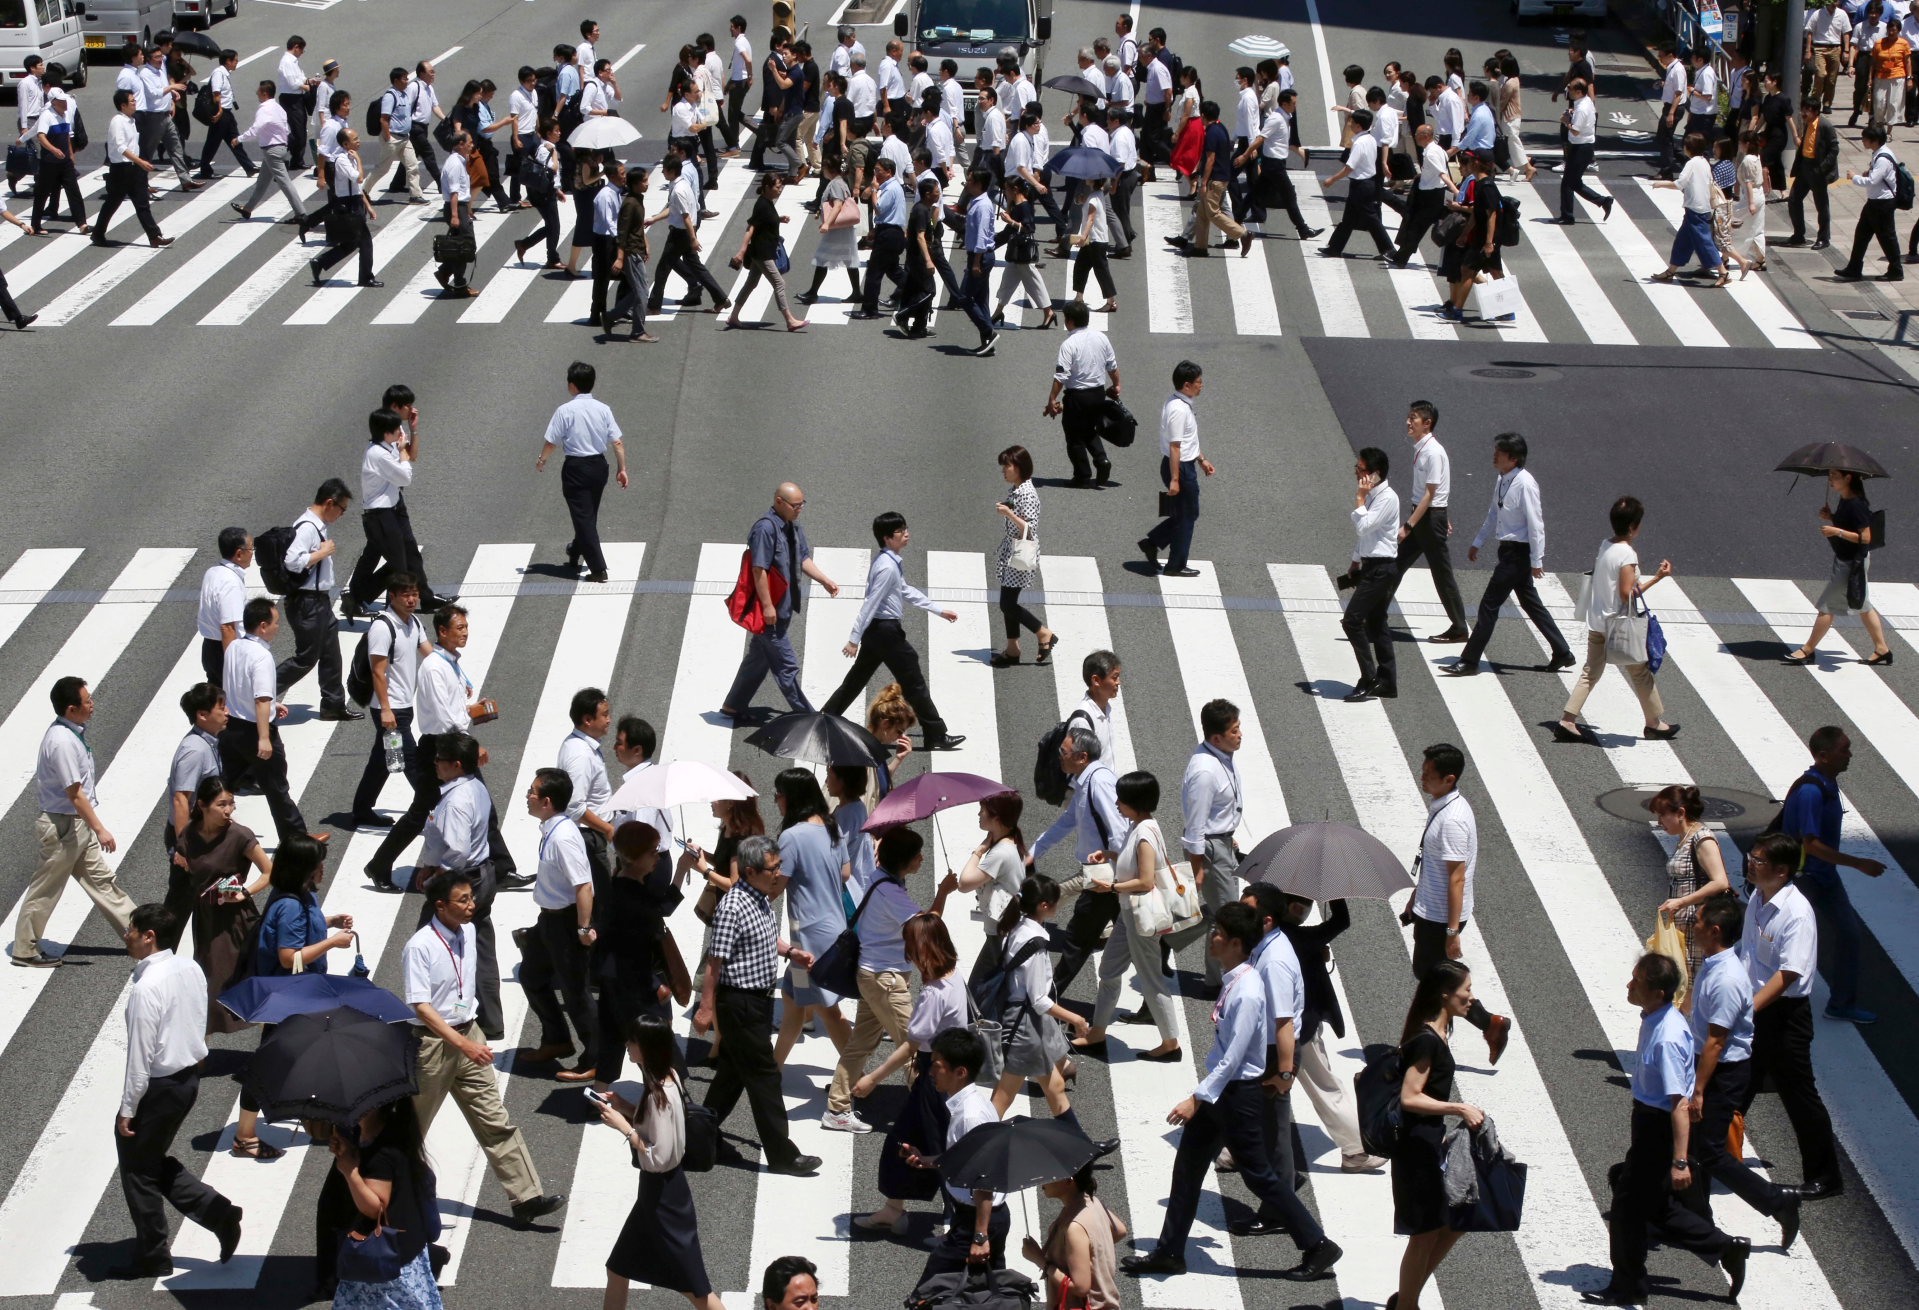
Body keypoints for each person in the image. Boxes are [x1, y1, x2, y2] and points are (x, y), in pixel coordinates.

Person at [1123, 905, 1342, 1279]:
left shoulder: (1248, 992)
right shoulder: (1236, 980)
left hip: (1237, 1095)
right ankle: (1170, 1251)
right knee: (1189, 1167)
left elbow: (1234, 1058)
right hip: (1223, 1092)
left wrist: (1196, 1097)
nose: (1212, 937)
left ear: (1236, 942)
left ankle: (1318, 1245)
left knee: (1259, 1176)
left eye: (1218, 932)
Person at [1586, 953, 1751, 1306]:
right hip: (1648, 1121)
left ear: (1658, 993)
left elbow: (1679, 1103)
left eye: (1637, 982)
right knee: (1654, 1205)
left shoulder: (1668, 1038)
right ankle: (1726, 1248)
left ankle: (1628, 1286)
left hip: (1657, 1127)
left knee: (1627, 1207)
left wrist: (1680, 1161)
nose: (1629, 986)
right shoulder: (1655, 1018)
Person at [404, 870, 565, 1226]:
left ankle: (526, 1197)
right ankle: (389, 1198)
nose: (471, 905)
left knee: (495, 1119)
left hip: (468, 1035)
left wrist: (471, 1037)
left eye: (471, 898)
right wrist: (462, 1043)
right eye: (462, 900)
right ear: (440, 906)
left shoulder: (469, 930)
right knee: (410, 1131)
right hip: (434, 1046)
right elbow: (421, 1007)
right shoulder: (420, 946)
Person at [110, 904, 243, 1279]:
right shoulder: (190, 968)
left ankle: (154, 1254)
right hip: (188, 1080)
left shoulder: (146, 989)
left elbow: (140, 1057)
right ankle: (217, 1213)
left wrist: (127, 1108)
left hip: (160, 1086)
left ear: (148, 936)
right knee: (147, 1159)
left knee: (137, 1169)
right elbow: (197, 1019)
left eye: (131, 930)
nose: (127, 935)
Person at [692, 834, 823, 1176]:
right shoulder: (733, 905)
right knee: (765, 1076)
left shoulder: (759, 896)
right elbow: (714, 961)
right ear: (750, 872)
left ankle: (700, 1139)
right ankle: (782, 1155)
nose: (778, 873)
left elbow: (764, 936)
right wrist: (705, 1009)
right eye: (772, 868)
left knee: (731, 1077)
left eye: (778, 865)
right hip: (739, 1004)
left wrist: (789, 951)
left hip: (757, 1003)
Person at [1687, 893, 1804, 1246]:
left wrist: (1698, 1090)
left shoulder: (1725, 980)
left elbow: (1716, 1043)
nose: (1694, 926)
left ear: (1715, 930)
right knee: (1693, 1147)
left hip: (1721, 1073)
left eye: (1698, 921)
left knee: (1709, 1151)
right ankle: (1694, 1218)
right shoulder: (1714, 964)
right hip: (1712, 1067)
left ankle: (1777, 1201)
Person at [1741, 832, 1843, 1204]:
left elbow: (1789, 975)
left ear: (1782, 871)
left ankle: (1825, 1177)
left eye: (1759, 860)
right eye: (1752, 857)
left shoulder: (1797, 914)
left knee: (1800, 1097)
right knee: (1733, 1087)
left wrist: (1746, 1008)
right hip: (1756, 1007)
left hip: (1783, 1017)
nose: (1751, 863)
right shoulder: (1758, 897)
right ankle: (1707, 1159)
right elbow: (1749, 954)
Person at [595, 1017, 721, 1310]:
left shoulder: (658, 1094)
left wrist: (623, 1127)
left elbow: (657, 1158)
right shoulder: (669, 1078)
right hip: (659, 1195)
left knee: (696, 1289)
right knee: (618, 1268)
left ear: (647, 1047)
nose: (627, 1045)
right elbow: (659, 1126)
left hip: (664, 1198)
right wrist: (625, 1108)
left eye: (633, 1041)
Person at [853, 912, 967, 1232]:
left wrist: (872, 1078)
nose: (911, 958)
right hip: (950, 1074)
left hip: (935, 1077)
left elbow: (911, 1045)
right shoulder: (955, 977)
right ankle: (897, 1209)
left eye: (912, 950)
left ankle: (954, 1220)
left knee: (934, 1146)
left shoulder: (933, 993)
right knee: (918, 1140)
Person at [820, 512, 964, 750]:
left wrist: (938, 610)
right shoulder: (887, 567)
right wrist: (853, 639)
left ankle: (825, 720)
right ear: (887, 538)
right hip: (886, 631)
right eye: (900, 531)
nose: (906, 534)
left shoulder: (887, 562)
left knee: (856, 680)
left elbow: (905, 591)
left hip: (878, 631)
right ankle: (935, 732)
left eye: (905, 528)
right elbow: (871, 603)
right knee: (914, 682)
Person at [1407, 743, 1512, 1062]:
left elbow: (1456, 878)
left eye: (1429, 774)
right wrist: (1416, 895)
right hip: (1431, 909)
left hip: (1440, 918)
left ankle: (1428, 1042)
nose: (1422, 777)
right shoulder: (1444, 806)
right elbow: (1436, 867)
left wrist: (1452, 933)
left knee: (1433, 984)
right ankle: (1488, 1023)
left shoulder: (1452, 820)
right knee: (1433, 979)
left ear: (1449, 778)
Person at [1773, 726, 1881, 1028]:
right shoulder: (1811, 791)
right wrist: (1859, 863)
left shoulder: (1827, 784)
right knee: (1774, 938)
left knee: (1849, 935)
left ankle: (1841, 1004)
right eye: (1843, 749)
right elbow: (1811, 844)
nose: (1849, 754)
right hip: (1801, 880)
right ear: (1823, 756)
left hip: (1824, 878)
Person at [1389, 958, 1480, 1304]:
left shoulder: (1439, 1031)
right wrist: (1458, 1108)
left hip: (1430, 1141)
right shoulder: (1426, 1039)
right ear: (1445, 995)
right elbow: (1410, 1097)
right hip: (1416, 1147)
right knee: (1425, 1233)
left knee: (1454, 1222)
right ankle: (1407, 1305)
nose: (1471, 997)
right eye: (1466, 990)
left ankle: (1405, 1297)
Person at [822, 827, 924, 1131]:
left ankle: (837, 1108)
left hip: (872, 975)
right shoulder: (891, 891)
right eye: (918, 854)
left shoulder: (881, 878)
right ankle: (926, 1115)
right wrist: (943, 892)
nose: (922, 858)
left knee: (861, 1043)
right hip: (885, 981)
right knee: (913, 1045)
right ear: (904, 861)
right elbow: (925, 928)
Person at [1554, 496, 1678, 742]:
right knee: (1640, 671)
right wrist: (1657, 578)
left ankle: (1568, 720)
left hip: (1598, 621)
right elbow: (1626, 594)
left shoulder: (1606, 545)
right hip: (1618, 625)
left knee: (1592, 672)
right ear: (1633, 526)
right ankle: (1653, 724)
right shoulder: (1627, 554)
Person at [1450, 433, 1573, 677]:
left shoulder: (1525, 483)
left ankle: (1470, 660)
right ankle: (1562, 652)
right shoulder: (1503, 479)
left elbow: (1536, 524)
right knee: (1530, 603)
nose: (1494, 455)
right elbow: (1493, 514)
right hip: (1507, 550)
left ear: (1514, 458)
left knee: (1489, 605)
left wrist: (1537, 560)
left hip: (1518, 554)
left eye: (1500, 452)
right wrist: (1477, 541)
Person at [1080, 771, 1180, 1060]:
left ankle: (1171, 1044)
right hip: (1128, 915)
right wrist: (1111, 855)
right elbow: (1135, 866)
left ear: (1135, 802)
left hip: (1140, 918)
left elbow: (1145, 881)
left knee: (1151, 979)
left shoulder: (1145, 834)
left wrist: (1110, 887)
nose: (1116, 803)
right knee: (1108, 970)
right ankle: (1097, 1032)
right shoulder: (1140, 826)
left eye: (1121, 799)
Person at [164, 776, 269, 1044]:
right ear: (202, 805)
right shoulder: (188, 834)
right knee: (208, 985)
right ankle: (199, 1052)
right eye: (221, 804)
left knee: (248, 985)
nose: (228, 810)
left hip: (236, 920)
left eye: (231, 804)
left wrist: (244, 892)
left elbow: (269, 872)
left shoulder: (239, 835)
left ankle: (273, 1040)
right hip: (206, 919)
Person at [721, 484, 839, 720]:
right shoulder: (765, 529)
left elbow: (802, 558)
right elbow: (759, 569)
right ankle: (806, 716)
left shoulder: (791, 528)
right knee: (786, 666)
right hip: (771, 610)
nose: (799, 509)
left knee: (758, 659)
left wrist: (824, 579)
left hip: (782, 608)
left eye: (801, 504)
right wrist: (767, 606)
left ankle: (733, 705)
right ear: (778, 501)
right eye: (795, 505)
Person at [988, 876, 1099, 1122]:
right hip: (1023, 1026)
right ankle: (971, 1146)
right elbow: (1039, 999)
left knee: (1054, 1087)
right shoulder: (1035, 942)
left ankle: (1081, 1149)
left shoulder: (1016, 927)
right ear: (1044, 906)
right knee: (1003, 1097)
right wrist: (1077, 1019)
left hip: (1021, 1019)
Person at [903, 1027, 1012, 1279]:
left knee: (931, 1291)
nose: (930, 1072)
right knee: (985, 1293)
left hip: (977, 1221)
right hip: (979, 1219)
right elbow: (965, 1158)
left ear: (960, 1072)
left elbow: (983, 1178)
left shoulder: (970, 1116)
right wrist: (928, 1161)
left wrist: (979, 1236)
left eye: (937, 1066)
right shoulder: (972, 1103)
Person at [587, 821, 682, 1092]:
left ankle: (600, 1094)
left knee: (613, 1033)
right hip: (635, 980)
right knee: (655, 1038)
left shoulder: (622, 882)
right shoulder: (630, 892)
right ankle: (668, 1098)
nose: (657, 856)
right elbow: (662, 909)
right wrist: (683, 869)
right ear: (634, 855)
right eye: (652, 851)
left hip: (614, 974)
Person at [217, 599, 321, 846]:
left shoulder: (233, 647)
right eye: (275, 623)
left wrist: (273, 704)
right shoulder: (261, 656)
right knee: (276, 788)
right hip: (255, 731)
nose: (278, 627)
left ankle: (203, 828)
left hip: (231, 727)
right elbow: (261, 698)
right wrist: (264, 737)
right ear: (262, 626)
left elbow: (238, 687)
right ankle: (296, 839)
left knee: (224, 785)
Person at [1029, 726, 1125, 992]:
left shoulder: (1099, 782)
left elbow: (1118, 833)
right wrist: (1033, 852)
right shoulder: (1084, 781)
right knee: (1137, 938)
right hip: (1106, 876)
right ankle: (1154, 992)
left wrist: (1120, 880)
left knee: (1077, 940)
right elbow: (1066, 822)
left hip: (1105, 877)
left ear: (1082, 757)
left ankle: (1047, 999)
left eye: (1064, 751)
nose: (1059, 755)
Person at [769, 768, 854, 1064]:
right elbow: (845, 873)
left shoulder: (791, 837)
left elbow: (775, 888)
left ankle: (858, 1077)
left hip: (809, 938)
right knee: (794, 1004)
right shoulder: (832, 827)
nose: (776, 800)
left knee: (828, 1011)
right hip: (832, 928)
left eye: (778, 793)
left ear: (792, 797)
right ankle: (773, 1070)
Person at [325, 1097, 442, 1310]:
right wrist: (350, 1151)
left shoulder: (380, 1152)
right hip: (407, 1245)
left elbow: (375, 1207)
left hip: (386, 1259)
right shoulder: (392, 1126)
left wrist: (349, 1172)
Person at [348, 398, 450, 616]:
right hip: (381, 515)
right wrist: (402, 451)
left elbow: (409, 458)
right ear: (386, 434)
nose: (399, 433)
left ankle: (420, 598)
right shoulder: (378, 454)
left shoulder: (385, 447)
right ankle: (363, 599)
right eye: (396, 430)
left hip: (392, 511)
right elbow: (405, 477)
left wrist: (408, 438)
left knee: (408, 559)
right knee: (398, 566)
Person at [348, 572, 432, 828]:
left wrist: (458, 678)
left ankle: (361, 809)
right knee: (410, 760)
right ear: (392, 596)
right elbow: (377, 671)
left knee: (383, 760)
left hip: (404, 706)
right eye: (405, 595)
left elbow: (431, 657)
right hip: (389, 710)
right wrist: (385, 709)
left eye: (414, 594)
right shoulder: (382, 627)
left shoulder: (414, 623)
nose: (411, 599)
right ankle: (435, 809)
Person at [535, 361, 628, 584]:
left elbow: (551, 442)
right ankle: (576, 549)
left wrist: (542, 460)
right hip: (599, 467)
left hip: (576, 468)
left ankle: (598, 568)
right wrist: (621, 468)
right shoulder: (603, 409)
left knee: (584, 516)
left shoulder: (564, 410)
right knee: (587, 514)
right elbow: (616, 441)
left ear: (573, 386)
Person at [276, 479, 360, 722]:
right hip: (306, 603)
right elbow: (292, 561)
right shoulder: (307, 527)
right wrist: (322, 553)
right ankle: (258, 694)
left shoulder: (316, 525)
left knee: (331, 653)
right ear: (329, 502)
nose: (342, 514)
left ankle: (333, 704)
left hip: (319, 602)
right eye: (341, 509)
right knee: (306, 657)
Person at [1785, 468, 1890, 662]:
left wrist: (1836, 532)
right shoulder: (1845, 499)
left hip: (1851, 562)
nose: (1830, 480)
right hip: (1847, 558)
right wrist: (1831, 517)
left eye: (1834, 476)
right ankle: (1882, 649)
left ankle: (1808, 650)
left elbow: (1865, 537)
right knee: (1864, 605)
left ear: (1848, 478)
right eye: (1829, 476)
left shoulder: (1856, 504)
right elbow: (1849, 524)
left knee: (1826, 606)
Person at [1386, 401, 1468, 640]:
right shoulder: (1423, 448)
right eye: (1409, 417)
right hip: (1428, 516)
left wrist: (1408, 525)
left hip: (1427, 519)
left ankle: (1460, 627)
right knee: (1395, 564)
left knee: (1442, 574)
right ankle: (1373, 616)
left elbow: (1430, 495)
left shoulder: (1432, 451)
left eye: (1413, 418)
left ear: (1427, 423)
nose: (1408, 422)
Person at [1178, 699, 1244, 993]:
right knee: (1227, 915)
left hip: (1220, 842)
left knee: (1220, 911)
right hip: (1209, 850)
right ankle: (1217, 981)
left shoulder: (1220, 754)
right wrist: (1197, 868)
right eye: (1234, 730)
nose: (1240, 734)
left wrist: (1228, 833)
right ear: (1216, 737)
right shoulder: (1205, 772)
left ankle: (1169, 940)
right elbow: (1195, 827)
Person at [931, 793, 1028, 977]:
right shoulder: (1010, 842)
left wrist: (979, 851)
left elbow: (964, 884)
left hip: (1000, 933)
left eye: (982, 810)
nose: (978, 814)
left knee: (984, 990)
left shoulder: (1001, 852)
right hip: (1003, 927)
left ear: (996, 819)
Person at [1650, 785, 1730, 984]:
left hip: (1697, 928)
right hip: (1683, 928)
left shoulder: (1702, 838)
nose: (1659, 822)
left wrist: (1681, 902)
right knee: (1682, 985)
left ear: (1680, 813)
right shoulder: (1684, 839)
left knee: (1691, 988)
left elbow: (1720, 882)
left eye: (1662, 815)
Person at [1138, 360, 1210, 578]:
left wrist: (1201, 459)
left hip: (1183, 464)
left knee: (1184, 514)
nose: (1201, 385)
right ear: (1187, 384)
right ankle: (1175, 565)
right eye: (1198, 382)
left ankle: (1153, 543)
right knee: (1188, 515)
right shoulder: (1179, 410)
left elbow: (1187, 440)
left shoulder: (1178, 402)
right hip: (1179, 467)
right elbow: (1176, 446)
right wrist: (1175, 479)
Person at [1342, 446, 1401, 703]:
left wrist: (1358, 498)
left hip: (1381, 569)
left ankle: (1369, 678)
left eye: (1360, 469)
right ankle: (1387, 682)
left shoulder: (1387, 498)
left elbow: (1364, 527)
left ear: (1374, 474)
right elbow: (1368, 537)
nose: (1356, 473)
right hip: (1371, 566)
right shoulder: (1374, 496)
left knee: (1352, 621)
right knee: (1378, 624)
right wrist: (1355, 562)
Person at [1028, 1162, 1125, 1309]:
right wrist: (1090, 1255)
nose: (1042, 1182)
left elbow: (1080, 1288)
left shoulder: (1075, 1227)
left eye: (1048, 1176)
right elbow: (1120, 1231)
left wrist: (1039, 1260)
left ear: (1068, 1181)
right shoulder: (1093, 1201)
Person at [1041, 301, 1118, 487]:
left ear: (1069, 321)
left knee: (1074, 436)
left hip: (1077, 397)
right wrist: (1116, 385)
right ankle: (1101, 459)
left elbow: (1061, 376)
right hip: (1098, 394)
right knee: (1089, 429)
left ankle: (1082, 475)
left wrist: (1052, 399)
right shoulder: (1101, 337)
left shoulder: (1069, 344)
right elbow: (1112, 366)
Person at [990, 446, 1054, 667]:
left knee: (1007, 604)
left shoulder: (1026, 493)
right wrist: (1009, 507)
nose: (1003, 471)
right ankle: (1012, 649)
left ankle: (1042, 632)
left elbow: (1030, 529)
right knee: (1008, 601)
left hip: (1020, 552)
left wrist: (1008, 513)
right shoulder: (1018, 489)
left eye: (1006, 466)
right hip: (1013, 551)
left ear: (1018, 467)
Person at [646, 153, 732, 315]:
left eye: (664, 169)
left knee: (662, 270)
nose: (662, 172)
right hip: (684, 233)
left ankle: (654, 306)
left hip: (680, 234)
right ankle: (721, 299)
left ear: (672, 171)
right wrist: (654, 219)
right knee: (697, 268)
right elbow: (674, 209)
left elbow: (685, 216)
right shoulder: (681, 185)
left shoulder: (678, 190)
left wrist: (693, 239)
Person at [255, 834, 350, 978]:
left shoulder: (301, 891)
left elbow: (298, 927)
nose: (323, 867)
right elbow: (289, 960)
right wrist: (333, 942)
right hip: (291, 988)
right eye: (319, 863)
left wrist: (331, 921)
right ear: (305, 868)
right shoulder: (290, 907)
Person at [728, 171, 808, 330]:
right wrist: (742, 251)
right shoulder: (761, 205)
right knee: (779, 283)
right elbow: (750, 228)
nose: (780, 189)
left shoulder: (767, 202)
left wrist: (778, 219)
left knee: (751, 283)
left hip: (763, 251)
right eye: (778, 187)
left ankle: (734, 317)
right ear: (767, 187)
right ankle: (790, 320)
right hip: (762, 252)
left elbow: (765, 220)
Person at [94, 88, 171, 250]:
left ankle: (154, 236)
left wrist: (139, 163)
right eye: (132, 101)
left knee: (142, 203)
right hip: (121, 170)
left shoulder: (131, 120)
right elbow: (121, 147)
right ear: (123, 105)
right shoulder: (117, 121)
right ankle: (98, 233)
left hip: (134, 169)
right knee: (112, 203)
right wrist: (141, 161)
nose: (135, 103)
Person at [165, 684, 228, 878]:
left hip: (207, 832)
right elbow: (181, 799)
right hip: (194, 837)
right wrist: (184, 848)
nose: (227, 712)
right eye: (221, 708)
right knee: (181, 899)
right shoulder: (194, 751)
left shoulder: (208, 742)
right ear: (202, 714)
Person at [1650, 133, 1728, 288]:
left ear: (1688, 148)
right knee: (1682, 241)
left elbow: (1680, 184)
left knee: (1704, 242)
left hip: (1696, 209)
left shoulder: (1691, 163)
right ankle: (1670, 271)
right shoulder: (1704, 162)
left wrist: (1661, 184)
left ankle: (1723, 272)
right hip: (1700, 207)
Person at [1318, 108, 1392, 259]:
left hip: (1362, 186)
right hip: (1365, 183)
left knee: (1371, 219)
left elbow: (1349, 167)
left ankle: (1389, 249)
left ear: (1359, 126)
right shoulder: (1371, 139)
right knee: (1349, 219)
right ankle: (1334, 248)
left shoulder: (1359, 143)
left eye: (1352, 123)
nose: (1350, 125)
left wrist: (1333, 179)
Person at [1838, 122, 1904, 281]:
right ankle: (1854, 268)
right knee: (1861, 235)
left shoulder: (1882, 158)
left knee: (1887, 238)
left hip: (1882, 204)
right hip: (1874, 202)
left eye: (1865, 139)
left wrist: (1854, 177)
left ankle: (1896, 270)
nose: (1863, 141)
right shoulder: (1880, 154)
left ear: (1874, 140)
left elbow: (1872, 181)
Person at [1554, 78, 1612, 223]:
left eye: (1571, 88)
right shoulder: (1585, 103)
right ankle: (1603, 201)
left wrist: (1567, 122)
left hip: (1581, 148)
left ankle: (1567, 216)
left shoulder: (1582, 108)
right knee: (1574, 182)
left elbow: (1575, 131)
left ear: (1578, 92)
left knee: (1568, 183)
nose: (1568, 90)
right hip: (1582, 147)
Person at [1783, 100, 1838, 251]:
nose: (1803, 114)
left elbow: (1834, 149)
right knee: (1794, 199)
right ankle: (1799, 234)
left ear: (1815, 111)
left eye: (1806, 111)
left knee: (1821, 205)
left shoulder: (1825, 126)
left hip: (1817, 168)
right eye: (1802, 110)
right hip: (1804, 167)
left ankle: (1823, 238)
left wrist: (1823, 168)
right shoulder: (1807, 124)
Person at [433, 132, 480, 297]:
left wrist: (466, 208)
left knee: (459, 246)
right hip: (455, 208)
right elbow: (454, 192)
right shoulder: (455, 164)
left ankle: (445, 272)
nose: (472, 145)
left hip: (459, 207)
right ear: (460, 144)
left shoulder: (459, 161)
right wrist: (455, 215)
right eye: (470, 142)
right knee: (465, 246)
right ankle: (459, 284)